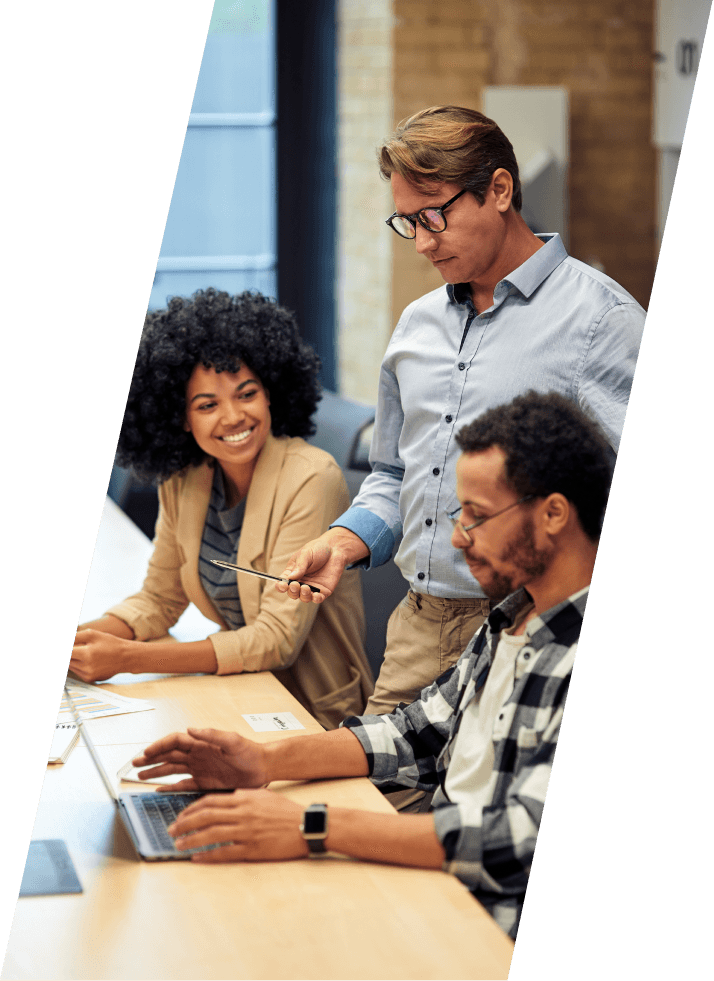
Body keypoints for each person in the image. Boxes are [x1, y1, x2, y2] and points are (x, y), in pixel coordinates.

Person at [133, 391, 611, 939]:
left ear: (554, 513)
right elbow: (417, 731)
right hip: (440, 892)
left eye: (476, 517)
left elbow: (520, 841)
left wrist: (312, 826)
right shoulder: (511, 616)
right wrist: (264, 763)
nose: (457, 538)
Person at [275, 105, 645, 714]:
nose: (422, 242)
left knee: (504, 810)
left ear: (499, 189)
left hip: (541, 633)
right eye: (406, 223)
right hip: (420, 628)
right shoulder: (415, 327)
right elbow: (395, 474)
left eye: (434, 216)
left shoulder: (602, 321)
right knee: (373, 801)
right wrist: (344, 542)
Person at [70, 289, 373, 730]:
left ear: (271, 393)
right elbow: (159, 599)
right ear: (180, 418)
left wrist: (129, 659)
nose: (232, 417)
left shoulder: (312, 478)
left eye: (246, 394)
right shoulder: (186, 476)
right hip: (240, 693)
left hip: (316, 715)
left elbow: (276, 639)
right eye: (207, 405)